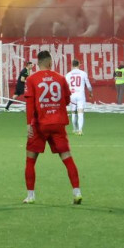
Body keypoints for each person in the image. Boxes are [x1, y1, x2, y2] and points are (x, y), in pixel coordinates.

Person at [23, 50, 82, 205]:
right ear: (50, 62)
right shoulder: (60, 78)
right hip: (58, 123)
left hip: (39, 125)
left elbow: (30, 104)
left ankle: (30, 196)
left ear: (38, 63)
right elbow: (67, 100)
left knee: (30, 160)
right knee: (67, 157)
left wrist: (29, 124)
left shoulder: (32, 79)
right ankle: (77, 193)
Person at [65, 58, 92, 135]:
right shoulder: (83, 73)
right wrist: (90, 92)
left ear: (72, 65)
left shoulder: (68, 74)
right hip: (80, 95)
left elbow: (65, 86)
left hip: (72, 94)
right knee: (80, 112)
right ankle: (80, 130)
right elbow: (88, 85)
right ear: (79, 64)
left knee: (73, 112)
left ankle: (75, 129)